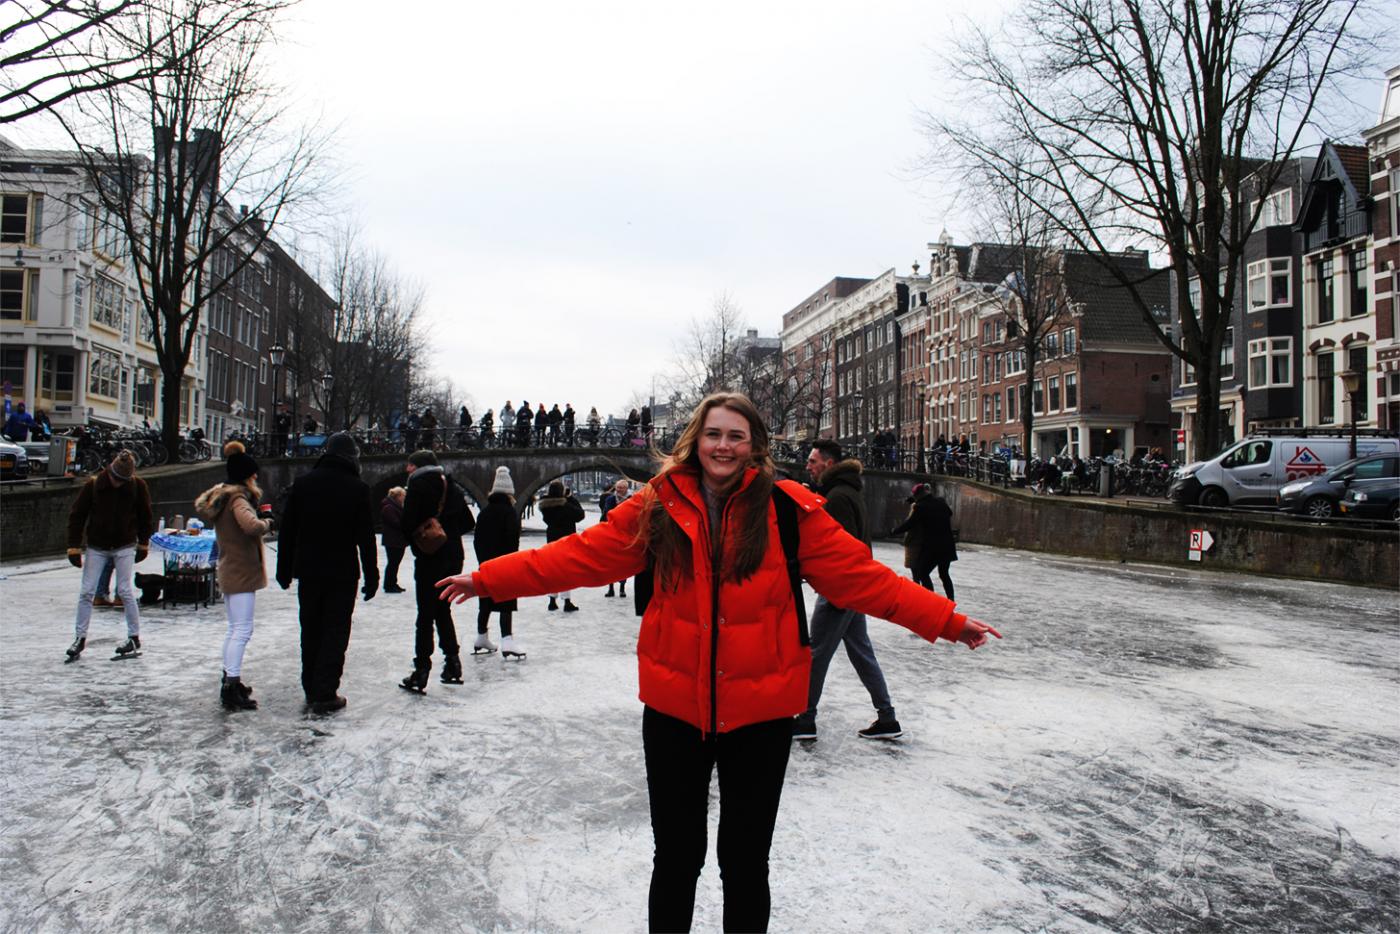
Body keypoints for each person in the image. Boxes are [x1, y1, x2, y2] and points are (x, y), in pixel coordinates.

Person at [436, 392, 1000, 933]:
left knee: (746, 862)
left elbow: (865, 580)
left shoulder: (788, 513)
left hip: (761, 714)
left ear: (754, 445)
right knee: (677, 860)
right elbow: (579, 559)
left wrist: (946, 620)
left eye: (736, 436)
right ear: (695, 440)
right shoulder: (656, 507)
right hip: (675, 710)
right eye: (713, 435)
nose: (723, 446)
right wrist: (488, 577)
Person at [792, 440, 901, 742]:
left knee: (816, 654)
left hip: (840, 589)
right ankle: (887, 717)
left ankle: (805, 719)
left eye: (813, 461)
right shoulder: (847, 491)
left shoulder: (837, 497)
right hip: (854, 588)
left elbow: (834, 549)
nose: (808, 466)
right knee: (861, 652)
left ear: (828, 464)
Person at [275, 432, 379, 714]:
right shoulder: (358, 489)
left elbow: (288, 532)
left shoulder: (304, 485)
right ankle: (325, 690)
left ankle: (310, 685)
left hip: (309, 570)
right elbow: (366, 538)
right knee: (335, 630)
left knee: (310, 627)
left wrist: (283, 570)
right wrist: (372, 575)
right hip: (343, 572)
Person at [194, 441, 273, 711]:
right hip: (241, 569)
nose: (256, 479)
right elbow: (250, 526)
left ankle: (230, 677)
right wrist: (267, 522)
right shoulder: (238, 499)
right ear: (246, 476)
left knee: (234, 628)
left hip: (230, 566)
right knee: (242, 629)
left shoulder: (222, 497)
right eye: (253, 475)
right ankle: (231, 686)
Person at [64, 450, 152, 662]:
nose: (118, 484)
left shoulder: (138, 486)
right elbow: (77, 516)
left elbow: (145, 515)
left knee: (124, 590)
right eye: (116, 479)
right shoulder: (93, 486)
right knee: (87, 591)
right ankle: (80, 637)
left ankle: (134, 636)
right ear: (110, 472)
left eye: (123, 480)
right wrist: (73, 547)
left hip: (124, 544)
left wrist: (143, 543)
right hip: (97, 545)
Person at [398, 449, 475, 691]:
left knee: (425, 614)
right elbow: (468, 522)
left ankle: (421, 670)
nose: (407, 469)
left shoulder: (417, 486)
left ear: (418, 467)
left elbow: (407, 524)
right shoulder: (450, 486)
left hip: (430, 558)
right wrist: (447, 534)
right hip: (453, 556)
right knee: (443, 609)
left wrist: (425, 540)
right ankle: (453, 663)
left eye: (410, 465)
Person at [472, 466, 524, 658]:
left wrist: (483, 561)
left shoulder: (484, 512)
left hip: (485, 564)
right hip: (505, 564)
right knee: (506, 602)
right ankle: (507, 640)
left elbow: (477, 540)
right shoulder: (510, 513)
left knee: (485, 600)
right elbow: (512, 540)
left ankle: (481, 636)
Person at [890, 483, 958, 601]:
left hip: (932, 547)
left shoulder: (920, 507)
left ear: (918, 495)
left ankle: (931, 599)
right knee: (944, 574)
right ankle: (951, 600)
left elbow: (910, 524)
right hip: (947, 544)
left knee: (922, 572)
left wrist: (894, 531)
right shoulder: (940, 501)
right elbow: (949, 513)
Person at [538, 480, 584, 612]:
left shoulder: (545, 505)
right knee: (565, 571)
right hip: (566, 540)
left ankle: (552, 600)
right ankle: (567, 601)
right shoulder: (565, 506)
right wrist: (570, 499)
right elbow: (580, 514)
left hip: (552, 539)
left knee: (553, 569)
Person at [599, 478, 630, 598]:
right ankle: (610, 587)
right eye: (618, 488)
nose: (619, 490)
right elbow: (605, 514)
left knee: (623, 563)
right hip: (612, 534)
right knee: (610, 562)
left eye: (622, 488)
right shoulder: (610, 499)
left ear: (626, 489)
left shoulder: (631, 499)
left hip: (626, 535)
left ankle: (622, 587)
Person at [381, 486, 408, 593]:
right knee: (393, 563)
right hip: (393, 540)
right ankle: (389, 585)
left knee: (394, 563)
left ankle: (392, 583)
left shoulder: (394, 506)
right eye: (402, 496)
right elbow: (396, 523)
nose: (403, 498)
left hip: (397, 540)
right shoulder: (389, 507)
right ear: (397, 496)